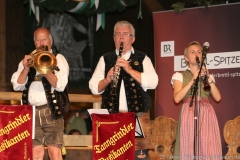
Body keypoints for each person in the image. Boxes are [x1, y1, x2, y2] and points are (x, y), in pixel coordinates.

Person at [89, 20, 158, 159]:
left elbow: (154, 82)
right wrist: (107, 80)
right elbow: (93, 87)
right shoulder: (105, 59)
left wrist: (130, 69)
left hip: (138, 116)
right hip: (112, 118)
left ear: (133, 38)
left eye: (125, 34)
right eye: (118, 34)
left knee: (139, 155)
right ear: (114, 38)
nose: (121, 37)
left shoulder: (143, 58)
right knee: (113, 155)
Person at [11, 27, 69, 160]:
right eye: (38, 40)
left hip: (52, 111)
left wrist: (44, 67)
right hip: (31, 112)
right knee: (35, 154)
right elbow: (16, 85)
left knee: (54, 152)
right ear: (34, 43)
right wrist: (25, 69)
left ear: (51, 41)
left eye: (44, 39)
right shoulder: (27, 61)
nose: (41, 43)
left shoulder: (59, 59)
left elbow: (60, 85)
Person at [171, 41, 222, 160]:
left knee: (207, 147)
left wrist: (208, 76)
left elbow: (218, 97)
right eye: (192, 52)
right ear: (186, 58)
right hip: (189, 112)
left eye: (199, 52)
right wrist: (192, 80)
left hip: (206, 113)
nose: (196, 54)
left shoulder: (208, 76)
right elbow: (177, 98)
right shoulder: (180, 76)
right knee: (189, 146)